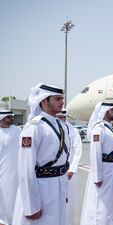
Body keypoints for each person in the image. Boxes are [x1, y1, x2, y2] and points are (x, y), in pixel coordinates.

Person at [13, 83, 70, 225]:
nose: (62, 102)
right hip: (42, 189)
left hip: (58, 187)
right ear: (44, 101)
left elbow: (62, 161)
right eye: (57, 99)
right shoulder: (34, 127)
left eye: (62, 99)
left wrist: (63, 191)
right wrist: (31, 206)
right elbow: (26, 169)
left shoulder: (61, 125)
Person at [80, 102, 113, 225]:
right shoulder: (99, 128)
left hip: (111, 169)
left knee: (110, 202)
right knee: (101, 202)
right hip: (103, 171)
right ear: (105, 111)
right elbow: (95, 154)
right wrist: (97, 176)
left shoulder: (108, 127)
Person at [56, 110, 82, 225]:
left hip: (69, 172)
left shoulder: (74, 131)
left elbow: (78, 151)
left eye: (64, 117)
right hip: (55, 173)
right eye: (60, 117)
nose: (62, 120)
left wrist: (72, 169)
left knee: (70, 201)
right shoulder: (51, 130)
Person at [0, 111, 21, 225]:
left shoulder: (18, 131)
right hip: (3, 172)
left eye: (12, 117)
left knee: (15, 197)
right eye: (9, 117)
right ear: (1, 119)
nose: (12, 119)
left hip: (16, 172)